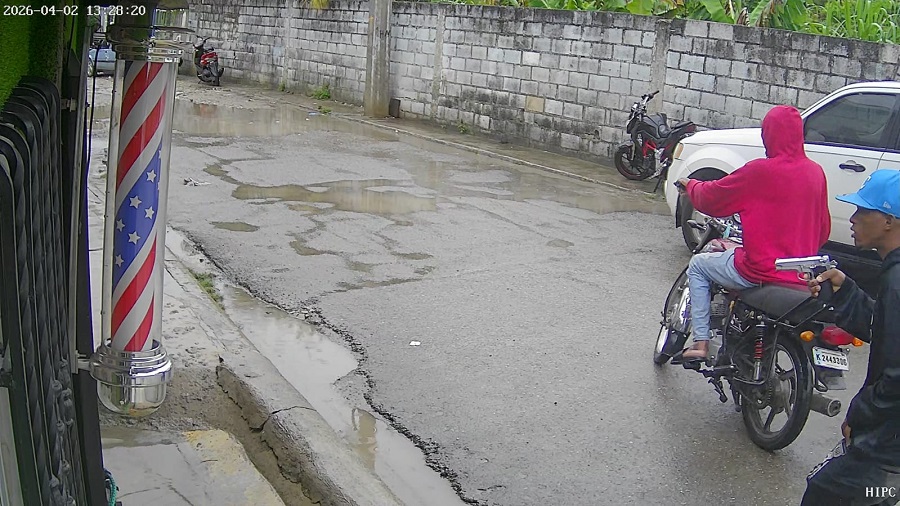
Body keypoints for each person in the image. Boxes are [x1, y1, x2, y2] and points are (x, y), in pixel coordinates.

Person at [674, 105, 831, 361]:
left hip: (759, 271)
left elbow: (713, 197)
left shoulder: (760, 171)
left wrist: (691, 185)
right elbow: (823, 230)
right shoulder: (816, 173)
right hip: (801, 275)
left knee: (699, 265)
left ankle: (700, 343)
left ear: (769, 135)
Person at [802, 169, 900, 506]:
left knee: (826, 493)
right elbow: (885, 330)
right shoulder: (893, 275)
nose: (854, 219)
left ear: (889, 220)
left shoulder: (898, 282)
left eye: (863, 211)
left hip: (887, 449)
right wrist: (845, 292)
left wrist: (859, 417)